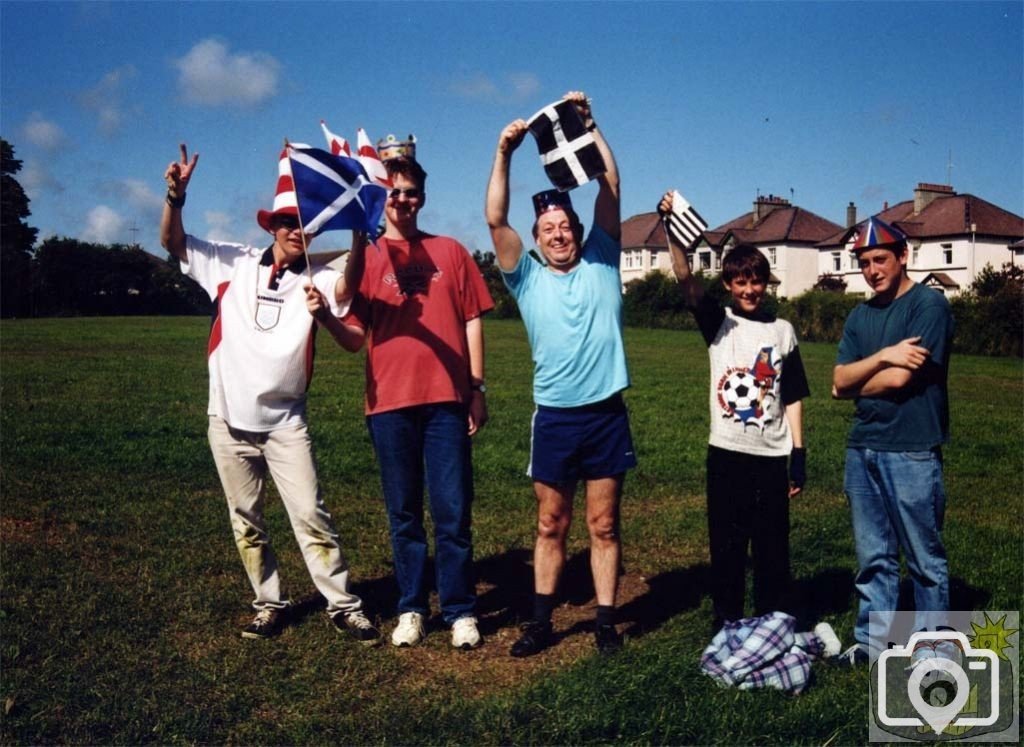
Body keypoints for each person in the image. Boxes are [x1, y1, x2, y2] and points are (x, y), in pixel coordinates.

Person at [159, 143, 381, 645]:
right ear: (271, 227)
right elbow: (173, 242)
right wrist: (175, 197)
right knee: (247, 521)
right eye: (287, 222)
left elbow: (351, 280)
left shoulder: (320, 277)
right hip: (228, 422)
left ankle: (344, 605)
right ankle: (269, 603)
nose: (297, 231)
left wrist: (360, 231)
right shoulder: (232, 263)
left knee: (310, 515)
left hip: (285, 424)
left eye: (305, 224)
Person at [323, 138, 493, 650]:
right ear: (381, 196)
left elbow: (472, 323)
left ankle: (460, 609)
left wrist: (476, 389)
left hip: (446, 401)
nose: (403, 200)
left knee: (452, 511)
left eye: (411, 192)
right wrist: (321, 317)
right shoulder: (367, 255)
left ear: (422, 196)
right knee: (404, 514)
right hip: (389, 404)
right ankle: (413, 607)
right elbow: (354, 336)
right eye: (393, 192)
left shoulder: (451, 252)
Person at [485, 91, 635, 656]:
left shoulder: (602, 257)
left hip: (605, 416)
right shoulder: (523, 277)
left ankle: (603, 624)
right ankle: (541, 622)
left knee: (602, 525)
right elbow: (495, 217)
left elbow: (611, 186)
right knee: (551, 523)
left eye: (563, 224)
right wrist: (505, 152)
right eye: (547, 227)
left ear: (576, 227)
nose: (557, 234)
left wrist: (591, 125)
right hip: (554, 418)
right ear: (537, 235)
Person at [659, 192, 810, 633]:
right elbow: (684, 275)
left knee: (771, 547)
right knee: (726, 543)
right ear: (728, 285)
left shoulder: (783, 332)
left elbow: (794, 395)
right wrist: (672, 229)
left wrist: (798, 454)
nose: (749, 290)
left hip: (770, 458)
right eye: (740, 282)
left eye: (756, 281)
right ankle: (726, 619)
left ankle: (771, 621)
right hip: (726, 453)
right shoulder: (718, 324)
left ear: (766, 283)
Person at [831, 216, 954, 666]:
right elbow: (837, 379)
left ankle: (935, 652)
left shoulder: (929, 306)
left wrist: (853, 380)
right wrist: (882, 355)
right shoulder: (861, 315)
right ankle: (872, 644)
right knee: (873, 558)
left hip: (911, 448)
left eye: (880, 259)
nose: (872, 270)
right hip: (862, 446)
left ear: (904, 256)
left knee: (924, 559)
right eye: (864, 263)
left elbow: (900, 379)